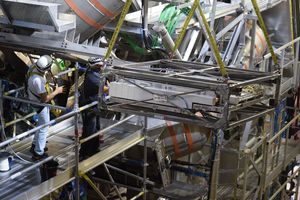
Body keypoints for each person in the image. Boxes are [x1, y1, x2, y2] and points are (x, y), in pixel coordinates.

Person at [27, 55, 64, 160]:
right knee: (44, 127)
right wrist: (57, 91)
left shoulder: (33, 68)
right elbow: (45, 99)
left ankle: (34, 145)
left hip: (32, 99)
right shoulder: (38, 80)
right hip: (39, 104)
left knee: (40, 124)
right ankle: (38, 153)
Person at [79, 57, 108, 159]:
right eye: (99, 65)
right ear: (94, 66)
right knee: (89, 131)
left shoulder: (95, 72)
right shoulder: (91, 76)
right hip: (89, 107)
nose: (101, 67)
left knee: (96, 128)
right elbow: (104, 88)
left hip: (95, 106)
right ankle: (85, 153)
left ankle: (94, 148)